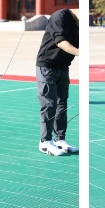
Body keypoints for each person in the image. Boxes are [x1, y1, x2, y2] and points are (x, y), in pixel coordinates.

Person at [36, 8, 79, 156]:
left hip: (63, 67)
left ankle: (60, 139)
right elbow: (60, 42)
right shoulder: (60, 16)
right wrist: (81, 53)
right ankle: (45, 142)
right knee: (49, 104)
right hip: (47, 66)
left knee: (62, 104)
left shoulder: (80, 24)